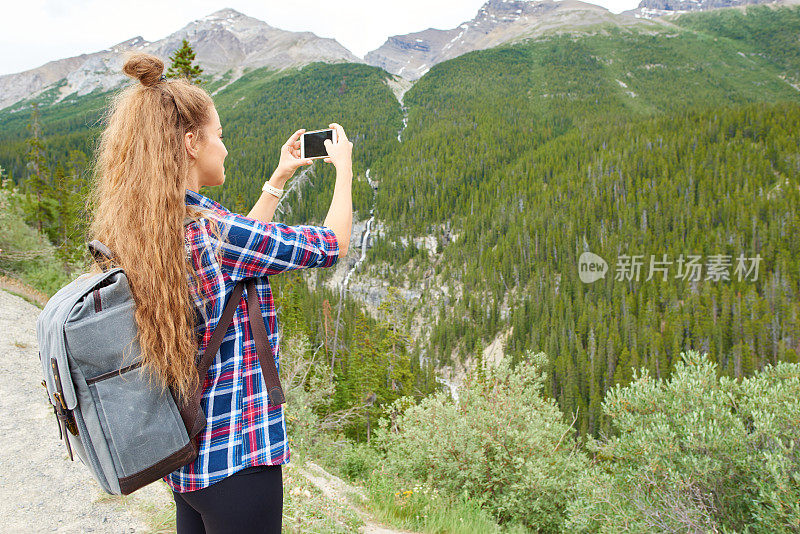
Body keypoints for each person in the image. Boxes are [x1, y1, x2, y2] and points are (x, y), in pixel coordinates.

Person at [86, 52, 352, 533]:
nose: (225, 148)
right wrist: (345, 170)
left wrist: (278, 179)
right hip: (239, 460)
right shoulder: (213, 232)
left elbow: (237, 259)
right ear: (191, 143)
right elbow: (331, 245)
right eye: (219, 136)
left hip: (185, 462)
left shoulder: (147, 226)